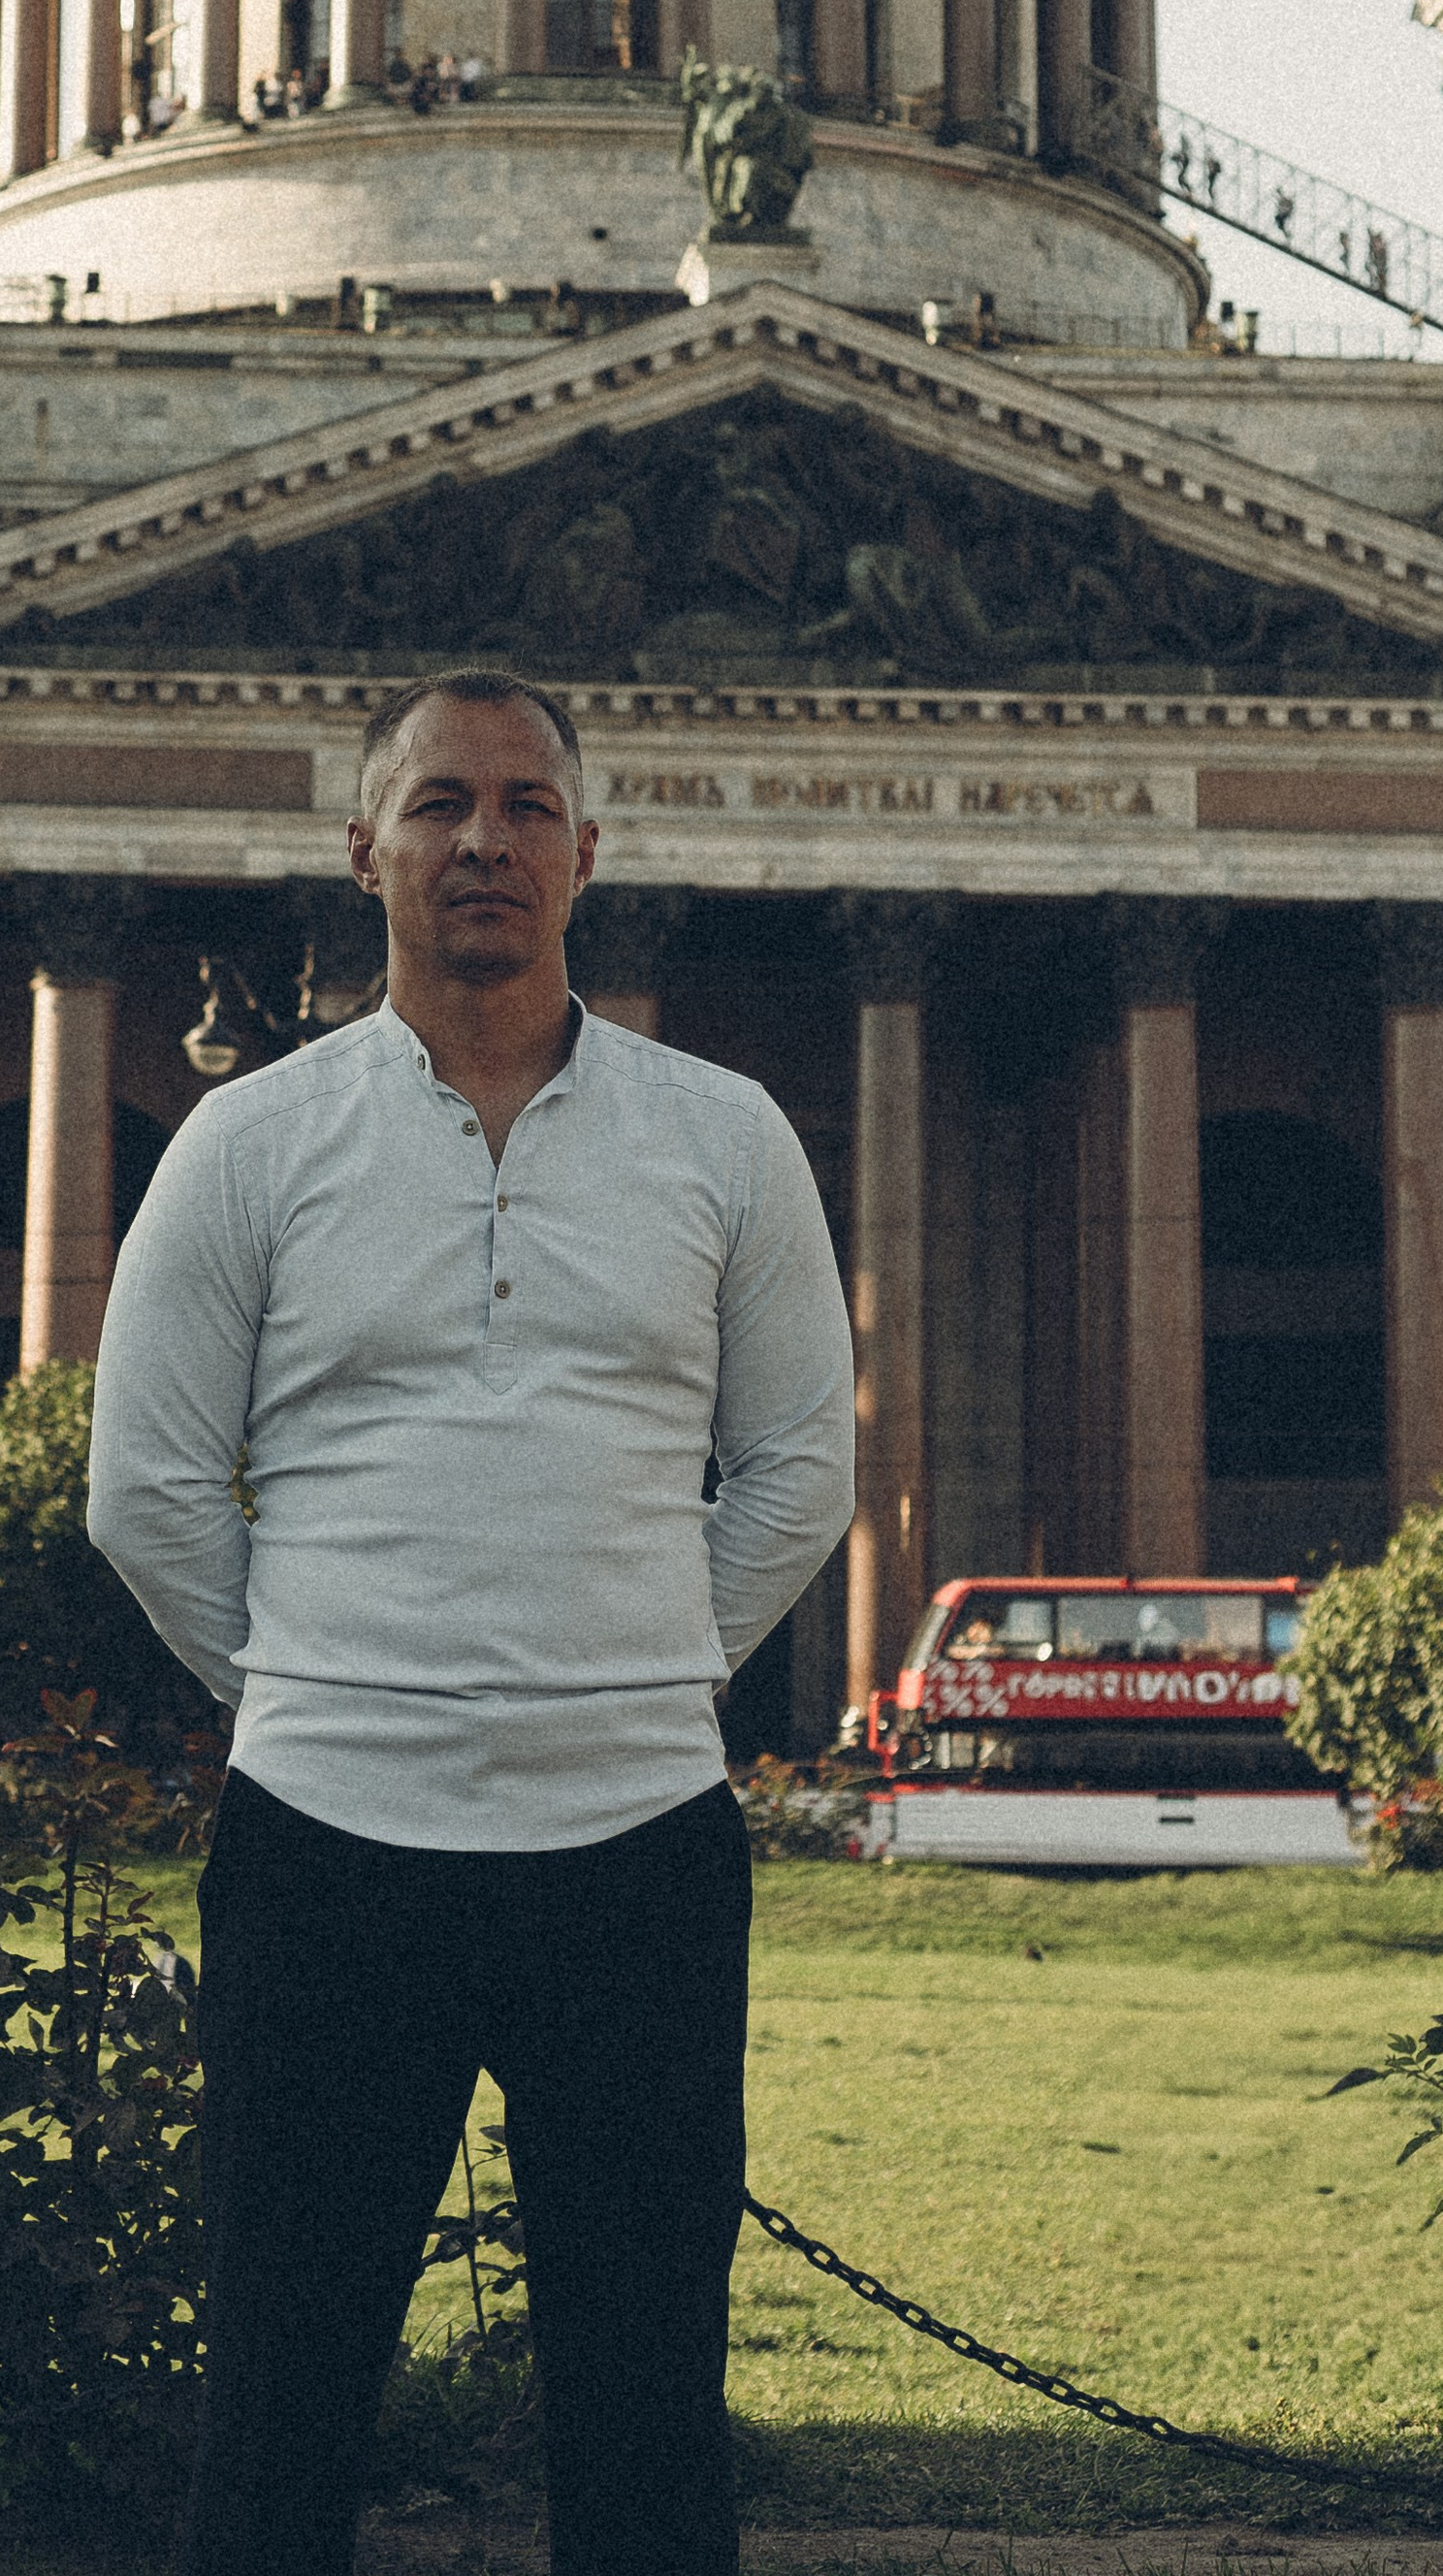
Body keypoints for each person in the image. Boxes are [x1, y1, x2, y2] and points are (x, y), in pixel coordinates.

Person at [89, 670, 854, 2576]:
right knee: (280, 2396)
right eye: (438, 805)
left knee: (647, 2404)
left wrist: (642, 1664)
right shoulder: (249, 1145)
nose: (483, 841)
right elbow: (149, 1493)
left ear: (587, 853)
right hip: (328, 1851)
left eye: (523, 806)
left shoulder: (723, 1137)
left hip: (635, 1854)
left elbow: (794, 1473)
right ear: (365, 852)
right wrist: (318, 1687)